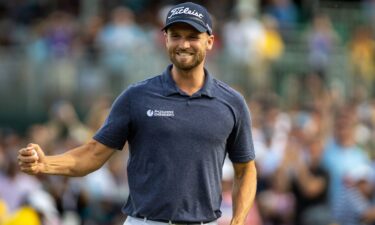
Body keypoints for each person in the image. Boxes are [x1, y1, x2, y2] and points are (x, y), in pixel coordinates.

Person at [18, 2, 257, 225]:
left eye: (193, 37)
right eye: (176, 36)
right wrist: (45, 164)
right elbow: (92, 155)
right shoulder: (137, 96)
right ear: (165, 39)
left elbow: (245, 170)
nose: (184, 44)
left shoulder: (231, 103)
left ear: (210, 41)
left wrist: (237, 221)